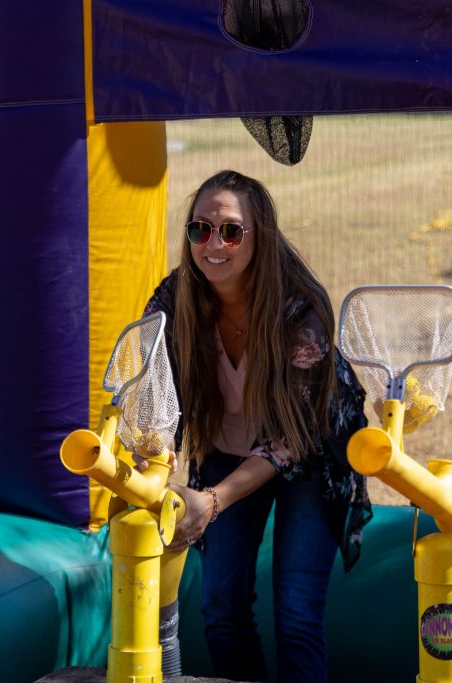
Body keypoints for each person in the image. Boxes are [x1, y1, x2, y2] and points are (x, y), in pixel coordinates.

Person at [142, 170, 372, 682]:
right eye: (199, 230)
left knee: (295, 615)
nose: (212, 244)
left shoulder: (300, 311)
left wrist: (215, 500)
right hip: (226, 448)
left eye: (230, 230)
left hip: (310, 456)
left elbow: (291, 440)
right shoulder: (174, 299)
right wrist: (153, 449)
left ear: (259, 237)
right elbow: (150, 384)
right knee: (221, 609)